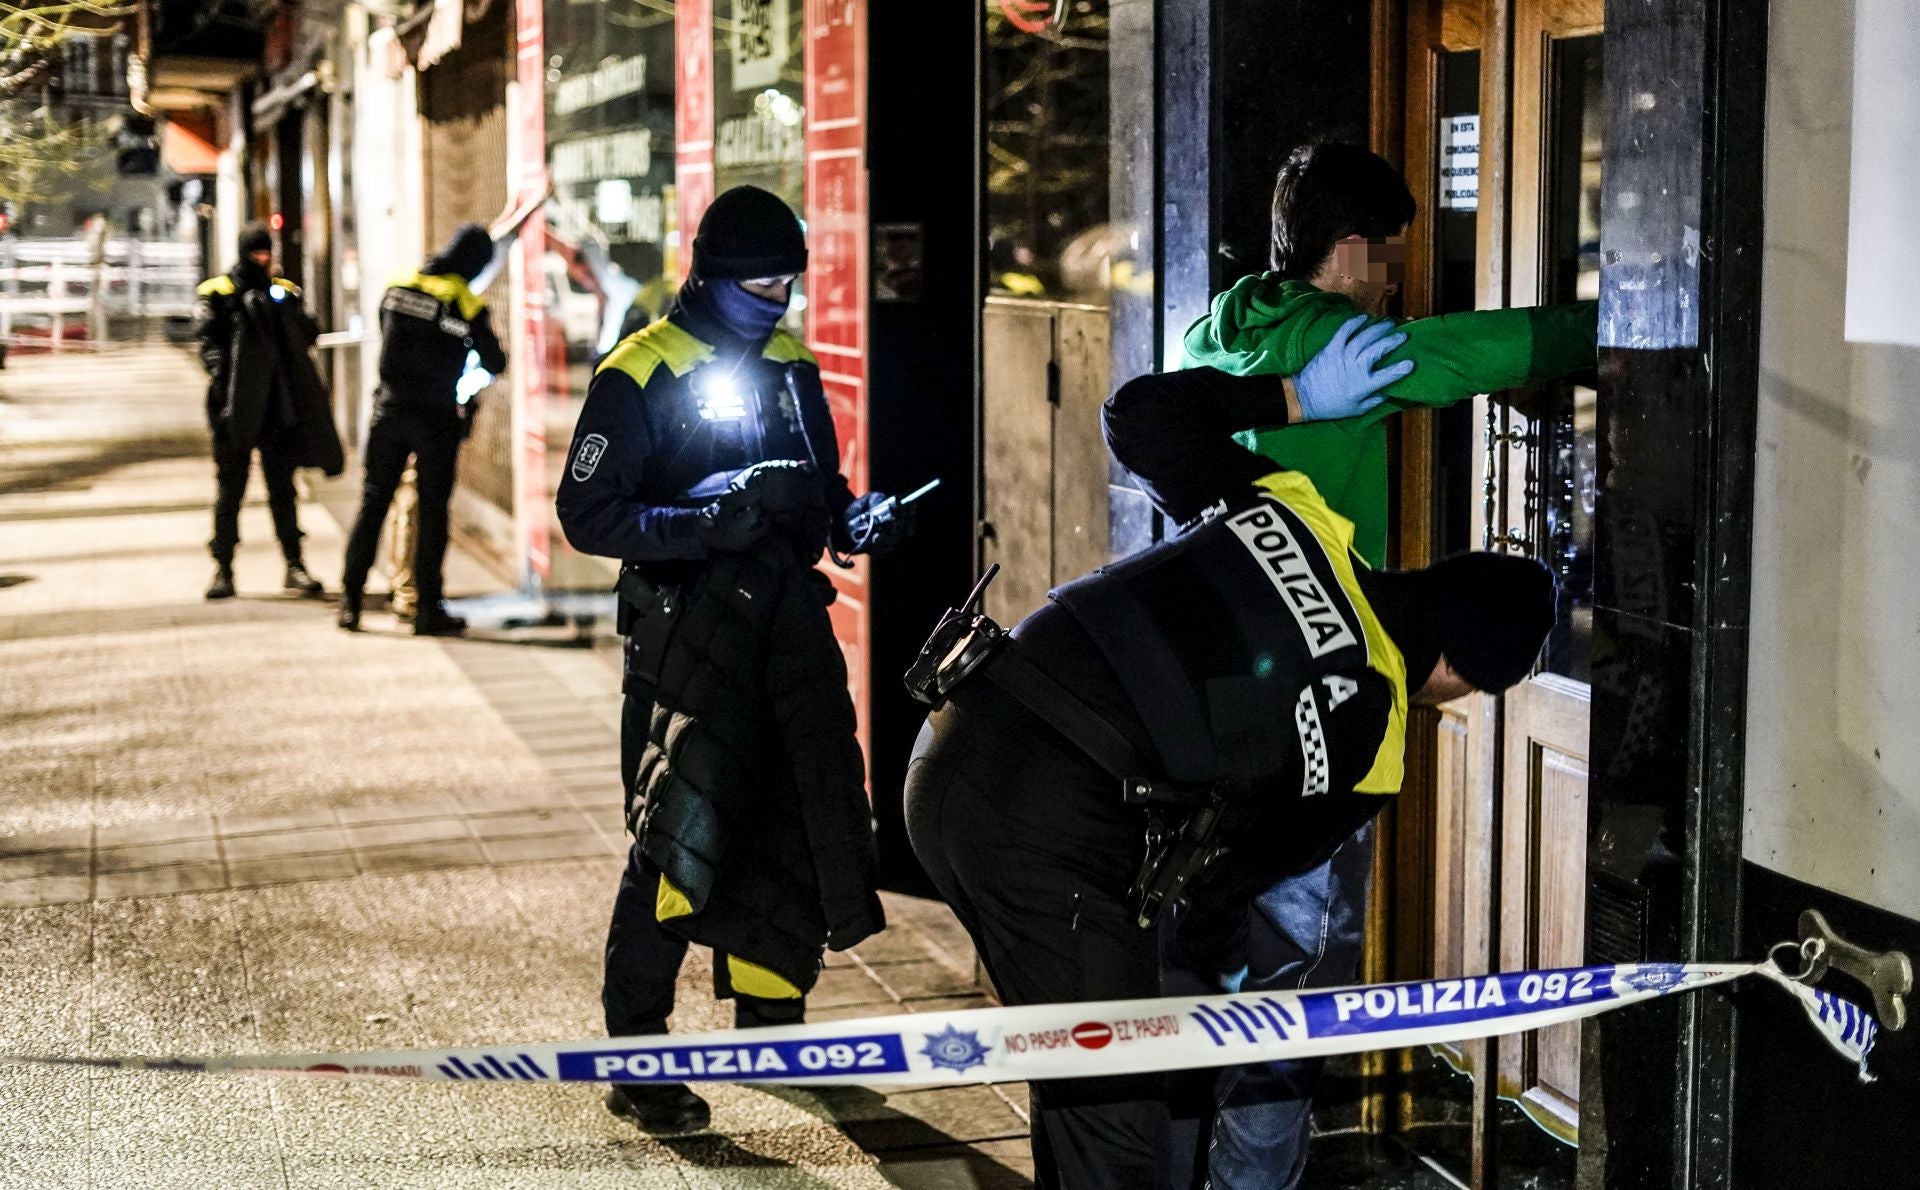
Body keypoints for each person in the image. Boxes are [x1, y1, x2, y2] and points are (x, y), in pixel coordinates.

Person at [1103, 141, 1599, 1188]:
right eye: (1387, 256)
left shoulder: (1216, 330)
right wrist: (1619, 321)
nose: (1394, 280)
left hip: (1206, 701)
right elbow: (1478, 352)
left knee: (1205, 962)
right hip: (1319, 702)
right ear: (1347, 248)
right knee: (1301, 974)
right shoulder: (1348, 348)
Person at [903, 442, 1558, 1189]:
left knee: (1076, 1069)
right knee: (1121, 1129)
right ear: (1458, 670)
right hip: (1043, 830)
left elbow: (1141, 418)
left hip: (953, 733)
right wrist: (1208, 982)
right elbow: (1227, 882)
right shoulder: (1375, 737)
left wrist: (1292, 400)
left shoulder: (1301, 512)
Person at [554, 185, 910, 1136]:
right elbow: (586, 514)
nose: (780, 301)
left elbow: (819, 483)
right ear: (712, 276)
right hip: (686, 641)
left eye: (791, 282)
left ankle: (773, 1033)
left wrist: (848, 520)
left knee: (798, 822)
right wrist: (697, 523)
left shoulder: (793, 363)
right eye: (761, 284)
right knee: (679, 836)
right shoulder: (640, 371)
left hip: (789, 629)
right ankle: (639, 1058)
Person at [338, 224, 508, 636]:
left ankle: (350, 601)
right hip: (435, 419)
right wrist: (463, 377)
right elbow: (495, 360)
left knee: (373, 504)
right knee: (432, 515)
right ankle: (427, 610)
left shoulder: (399, 286)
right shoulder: (463, 301)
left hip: (389, 411)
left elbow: (387, 330)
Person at [193, 221, 342, 600]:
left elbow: (309, 332)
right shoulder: (219, 293)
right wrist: (226, 381)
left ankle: (295, 564)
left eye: (266, 252)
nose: (261, 259)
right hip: (234, 410)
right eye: (255, 252)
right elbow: (208, 345)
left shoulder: (282, 291)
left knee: (283, 492)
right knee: (231, 492)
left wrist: (285, 306)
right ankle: (223, 568)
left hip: (278, 410)